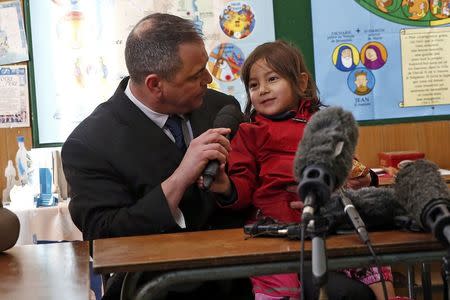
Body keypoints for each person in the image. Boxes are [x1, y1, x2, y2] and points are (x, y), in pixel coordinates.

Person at [62, 13, 250, 299]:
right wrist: (180, 178)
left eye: (205, 69)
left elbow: (249, 190)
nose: (209, 80)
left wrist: (227, 191)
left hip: (239, 284)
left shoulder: (221, 108)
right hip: (152, 291)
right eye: (195, 75)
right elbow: (105, 235)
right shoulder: (89, 144)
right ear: (155, 85)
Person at [203, 40, 396, 300]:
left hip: (330, 221)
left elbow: (349, 167)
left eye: (272, 79)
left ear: (301, 83)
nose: (263, 90)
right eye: (253, 85)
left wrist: (364, 177)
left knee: (373, 264)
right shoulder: (250, 133)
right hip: (275, 227)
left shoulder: (322, 122)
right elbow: (243, 185)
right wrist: (226, 187)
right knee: (282, 286)